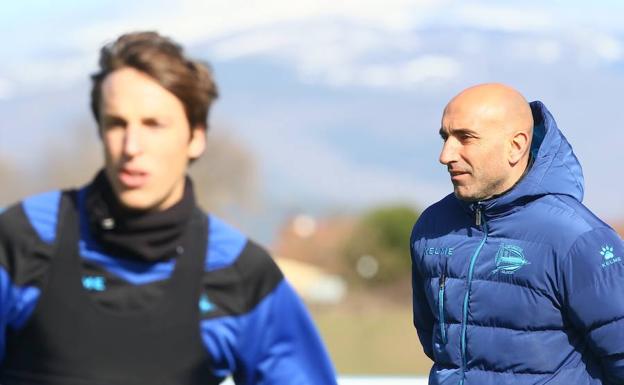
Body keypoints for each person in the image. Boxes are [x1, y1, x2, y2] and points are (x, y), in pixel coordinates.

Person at [0, 31, 337, 385]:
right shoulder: (22, 239)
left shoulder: (238, 271)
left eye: (153, 125)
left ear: (196, 136)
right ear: (99, 129)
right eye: (116, 123)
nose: (132, 146)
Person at [410, 83, 624, 384]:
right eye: (446, 138)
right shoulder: (431, 228)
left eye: (465, 138)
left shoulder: (577, 239)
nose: (446, 155)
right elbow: (435, 343)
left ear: (517, 145)